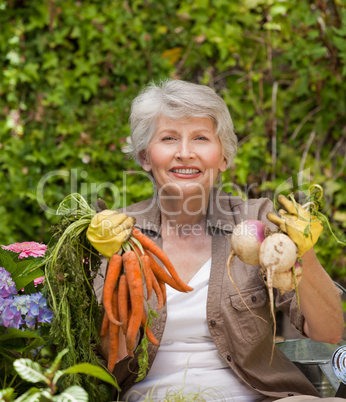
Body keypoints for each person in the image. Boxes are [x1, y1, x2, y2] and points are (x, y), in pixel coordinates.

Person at [93, 79, 344, 401]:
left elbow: (328, 333)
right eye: (169, 138)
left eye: (201, 138)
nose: (185, 153)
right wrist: (113, 273)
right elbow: (113, 361)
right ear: (145, 156)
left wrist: (303, 254)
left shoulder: (263, 222)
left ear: (223, 157)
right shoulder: (112, 233)